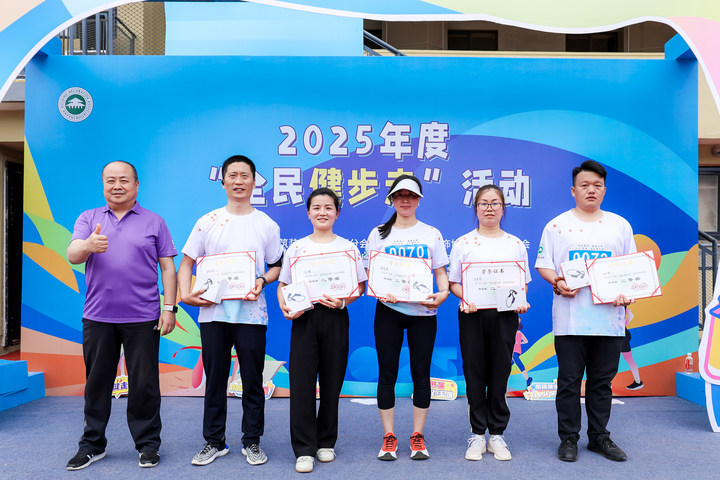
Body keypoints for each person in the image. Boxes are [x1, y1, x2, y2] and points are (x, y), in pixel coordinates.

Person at [65, 161, 177, 470]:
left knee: (144, 385)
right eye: (110, 180)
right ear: (103, 185)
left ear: (136, 185)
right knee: (97, 383)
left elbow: (167, 267)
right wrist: (88, 245)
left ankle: (148, 445)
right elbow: (73, 255)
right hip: (98, 316)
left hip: (143, 317)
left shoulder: (154, 221)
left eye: (124, 180)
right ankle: (92, 445)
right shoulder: (89, 218)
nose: (117, 186)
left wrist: (169, 307)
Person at [178, 155, 283, 467]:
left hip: (252, 314)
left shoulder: (266, 224)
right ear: (223, 181)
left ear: (254, 181)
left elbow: (277, 266)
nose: (239, 181)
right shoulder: (208, 221)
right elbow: (186, 263)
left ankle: (252, 441)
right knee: (215, 380)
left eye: (245, 175)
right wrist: (185, 294)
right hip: (213, 314)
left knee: (252, 379)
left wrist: (262, 280)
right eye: (233, 175)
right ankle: (214, 441)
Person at [535, 160, 635, 463]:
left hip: (610, 320)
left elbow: (631, 270)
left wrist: (627, 292)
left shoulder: (620, 225)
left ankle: (599, 437)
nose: (591, 190)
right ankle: (568, 438)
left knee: (602, 382)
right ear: (573, 190)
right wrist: (557, 282)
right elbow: (544, 265)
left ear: (604, 190)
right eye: (584, 185)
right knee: (569, 381)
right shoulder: (557, 225)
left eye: (597, 185)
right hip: (571, 318)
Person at [277, 188, 367, 473]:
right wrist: (285, 307)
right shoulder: (297, 248)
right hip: (304, 317)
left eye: (328, 207)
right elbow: (283, 285)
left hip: (335, 316)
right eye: (316, 207)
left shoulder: (348, 248)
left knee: (332, 380)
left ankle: (326, 441)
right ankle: (304, 449)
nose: (322, 212)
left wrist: (343, 301)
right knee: (301, 383)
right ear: (308, 213)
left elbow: (359, 285)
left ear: (337, 213)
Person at [364, 174, 450, 461]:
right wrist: (381, 291)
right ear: (391, 199)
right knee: (387, 373)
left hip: (423, 313)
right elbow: (371, 274)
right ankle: (389, 436)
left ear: (419, 200)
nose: (405, 200)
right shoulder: (378, 234)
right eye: (399, 195)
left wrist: (443, 293)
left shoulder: (431, 233)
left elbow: (440, 273)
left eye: (411, 196)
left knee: (420, 374)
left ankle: (417, 436)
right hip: (388, 311)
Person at [448, 184, 530, 462]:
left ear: (503, 208)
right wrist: (466, 296)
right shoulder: (463, 243)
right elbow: (454, 282)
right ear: (476, 208)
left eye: (495, 203)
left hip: (505, 315)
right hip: (472, 314)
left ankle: (496, 434)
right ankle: (476, 434)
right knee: (474, 373)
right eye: (483, 203)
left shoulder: (515, 244)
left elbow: (522, 284)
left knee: (499, 372)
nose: (489, 208)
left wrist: (521, 301)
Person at [622, 309, 643, 390]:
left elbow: (631, 316)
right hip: (621, 334)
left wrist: (623, 326)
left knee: (611, 359)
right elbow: (631, 315)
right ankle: (638, 382)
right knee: (629, 360)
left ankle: (638, 382)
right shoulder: (622, 305)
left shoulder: (621, 305)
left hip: (621, 336)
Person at [513, 322, 533, 388]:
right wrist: (519, 343)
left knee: (518, 362)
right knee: (510, 363)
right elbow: (526, 341)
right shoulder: (520, 333)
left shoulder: (513, 332)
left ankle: (527, 378)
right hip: (518, 349)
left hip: (513, 349)